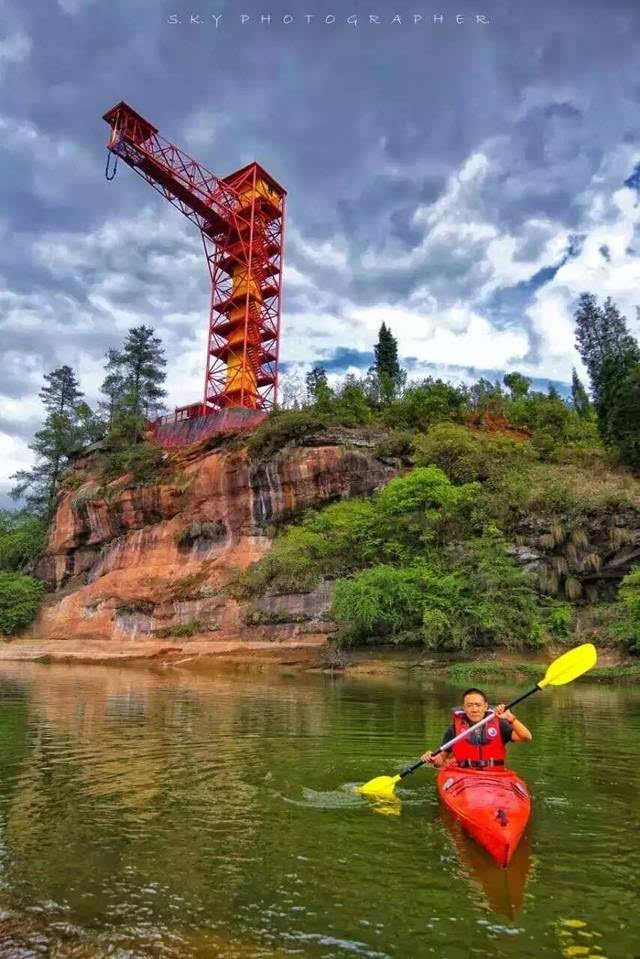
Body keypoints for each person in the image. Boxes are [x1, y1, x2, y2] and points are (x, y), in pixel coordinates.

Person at [421, 687, 532, 769]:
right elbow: (440, 762)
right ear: (464, 708)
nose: (474, 710)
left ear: (485, 706)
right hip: (464, 775)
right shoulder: (454, 729)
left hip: (496, 774)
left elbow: (526, 737)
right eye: (469, 705)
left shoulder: (500, 725)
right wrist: (432, 758)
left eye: (478, 705)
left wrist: (510, 718)